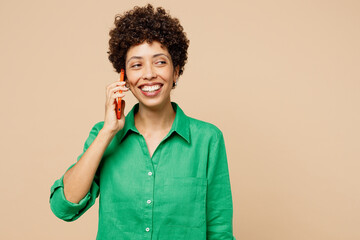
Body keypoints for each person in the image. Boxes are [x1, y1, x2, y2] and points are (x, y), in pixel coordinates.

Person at [49, 4, 235, 239]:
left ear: (176, 71)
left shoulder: (208, 139)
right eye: (136, 65)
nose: (148, 74)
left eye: (159, 62)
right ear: (123, 78)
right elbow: (64, 206)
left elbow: (219, 231)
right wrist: (107, 131)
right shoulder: (104, 136)